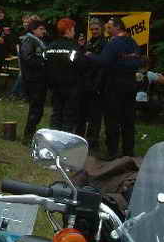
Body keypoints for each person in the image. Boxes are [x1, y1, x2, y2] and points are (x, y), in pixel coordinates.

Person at [87, 17, 143, 159]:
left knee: (112, 120)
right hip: (130, 85)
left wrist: (90, 55)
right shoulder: (133, 42)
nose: (107, 30)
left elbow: (104, 61)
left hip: (114, 86)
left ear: (118, 27)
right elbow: (137, 62)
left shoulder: (113, 43)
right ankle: (128, 152)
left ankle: (112, 152)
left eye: (109, 28)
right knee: (128, 120)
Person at [44, 18, 84, 133]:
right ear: (68, 30)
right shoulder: (73, 48)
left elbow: (44, 63)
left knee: (56, 113)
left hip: (54, 86)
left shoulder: (50, 47)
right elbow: (81, 65)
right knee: (69, 116)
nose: (74, 32)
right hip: (71, 87)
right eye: (73, 29)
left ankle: (53, 138)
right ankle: (65, 140)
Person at [76, 18, 107, 150]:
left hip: (97, 84)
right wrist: (81, 47)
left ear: (102, 29)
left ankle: (93, 142)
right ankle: (79, 140)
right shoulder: (88, 43)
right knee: (82, 114)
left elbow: (103, 65)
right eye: (92, 29)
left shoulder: (105, 44)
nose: (94, 31)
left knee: (95, 116)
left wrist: (97, 85)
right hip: (85, 82)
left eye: (96, 29)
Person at [19, 19, 48, 143]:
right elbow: (27, 58)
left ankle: (30, 133)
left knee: (38, 108)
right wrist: (43, 62)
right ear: (33, 29)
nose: (43, 31)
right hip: (33, 79)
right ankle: (28, 135)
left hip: (38, 78)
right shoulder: (29, 40)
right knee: (36, 108)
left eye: (44, 29)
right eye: (41, 29)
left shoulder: (37, 41)